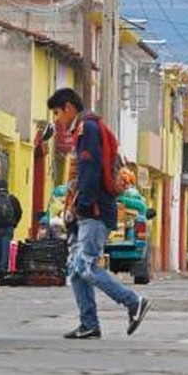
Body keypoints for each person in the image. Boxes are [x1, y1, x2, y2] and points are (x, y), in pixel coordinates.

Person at [47, 87, 150, 340]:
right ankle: (89, 324)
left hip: (94, 211)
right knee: (75, 270)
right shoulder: (85, 128)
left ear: (69, 107)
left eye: (58, 113)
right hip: (89, 211)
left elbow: (90, 172)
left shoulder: (87, 129)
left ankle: (133, 302)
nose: (57, 120)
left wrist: (83, 206)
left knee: (87, 266)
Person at [0, 178, 23, 280]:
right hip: (8, 228)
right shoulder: (13, 199)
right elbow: (19, 212)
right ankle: (3, 270)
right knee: (5, 249)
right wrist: (14, 224)